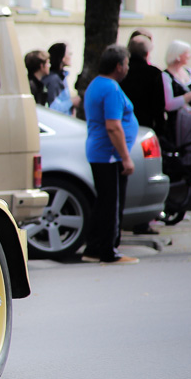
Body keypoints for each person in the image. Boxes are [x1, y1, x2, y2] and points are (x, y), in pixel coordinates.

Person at [81, 44, 139, 264]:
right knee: (112, 203)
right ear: (118, 66)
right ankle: (108, 251)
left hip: (100, 152)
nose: (128, 68)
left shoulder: (96, 84)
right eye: (127, 64)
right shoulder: (111, 88)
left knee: (103, 201)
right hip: (109, 154)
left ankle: (94, 248)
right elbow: (113, 126)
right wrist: (125, 157)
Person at [120, 33, 166, 138]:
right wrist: (160, 130)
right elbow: (159, 104)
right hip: (145, 125)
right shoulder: (154, 73)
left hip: (122, 123)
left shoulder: (121, 70)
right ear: (147, 53)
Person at [161, 40, 191, 140]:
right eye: (187, 53)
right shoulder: (165, 76)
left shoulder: (190, 72)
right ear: (178, 55)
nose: (189, 56)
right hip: (179, 126)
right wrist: (190, 96)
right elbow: (169, 105)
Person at [43, 42, 79, 114]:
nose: (70, 56)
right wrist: (72, 102)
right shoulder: (54, 79)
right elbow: (53, 107)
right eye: (68, 53)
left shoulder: (62, 76)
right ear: (62, 57)